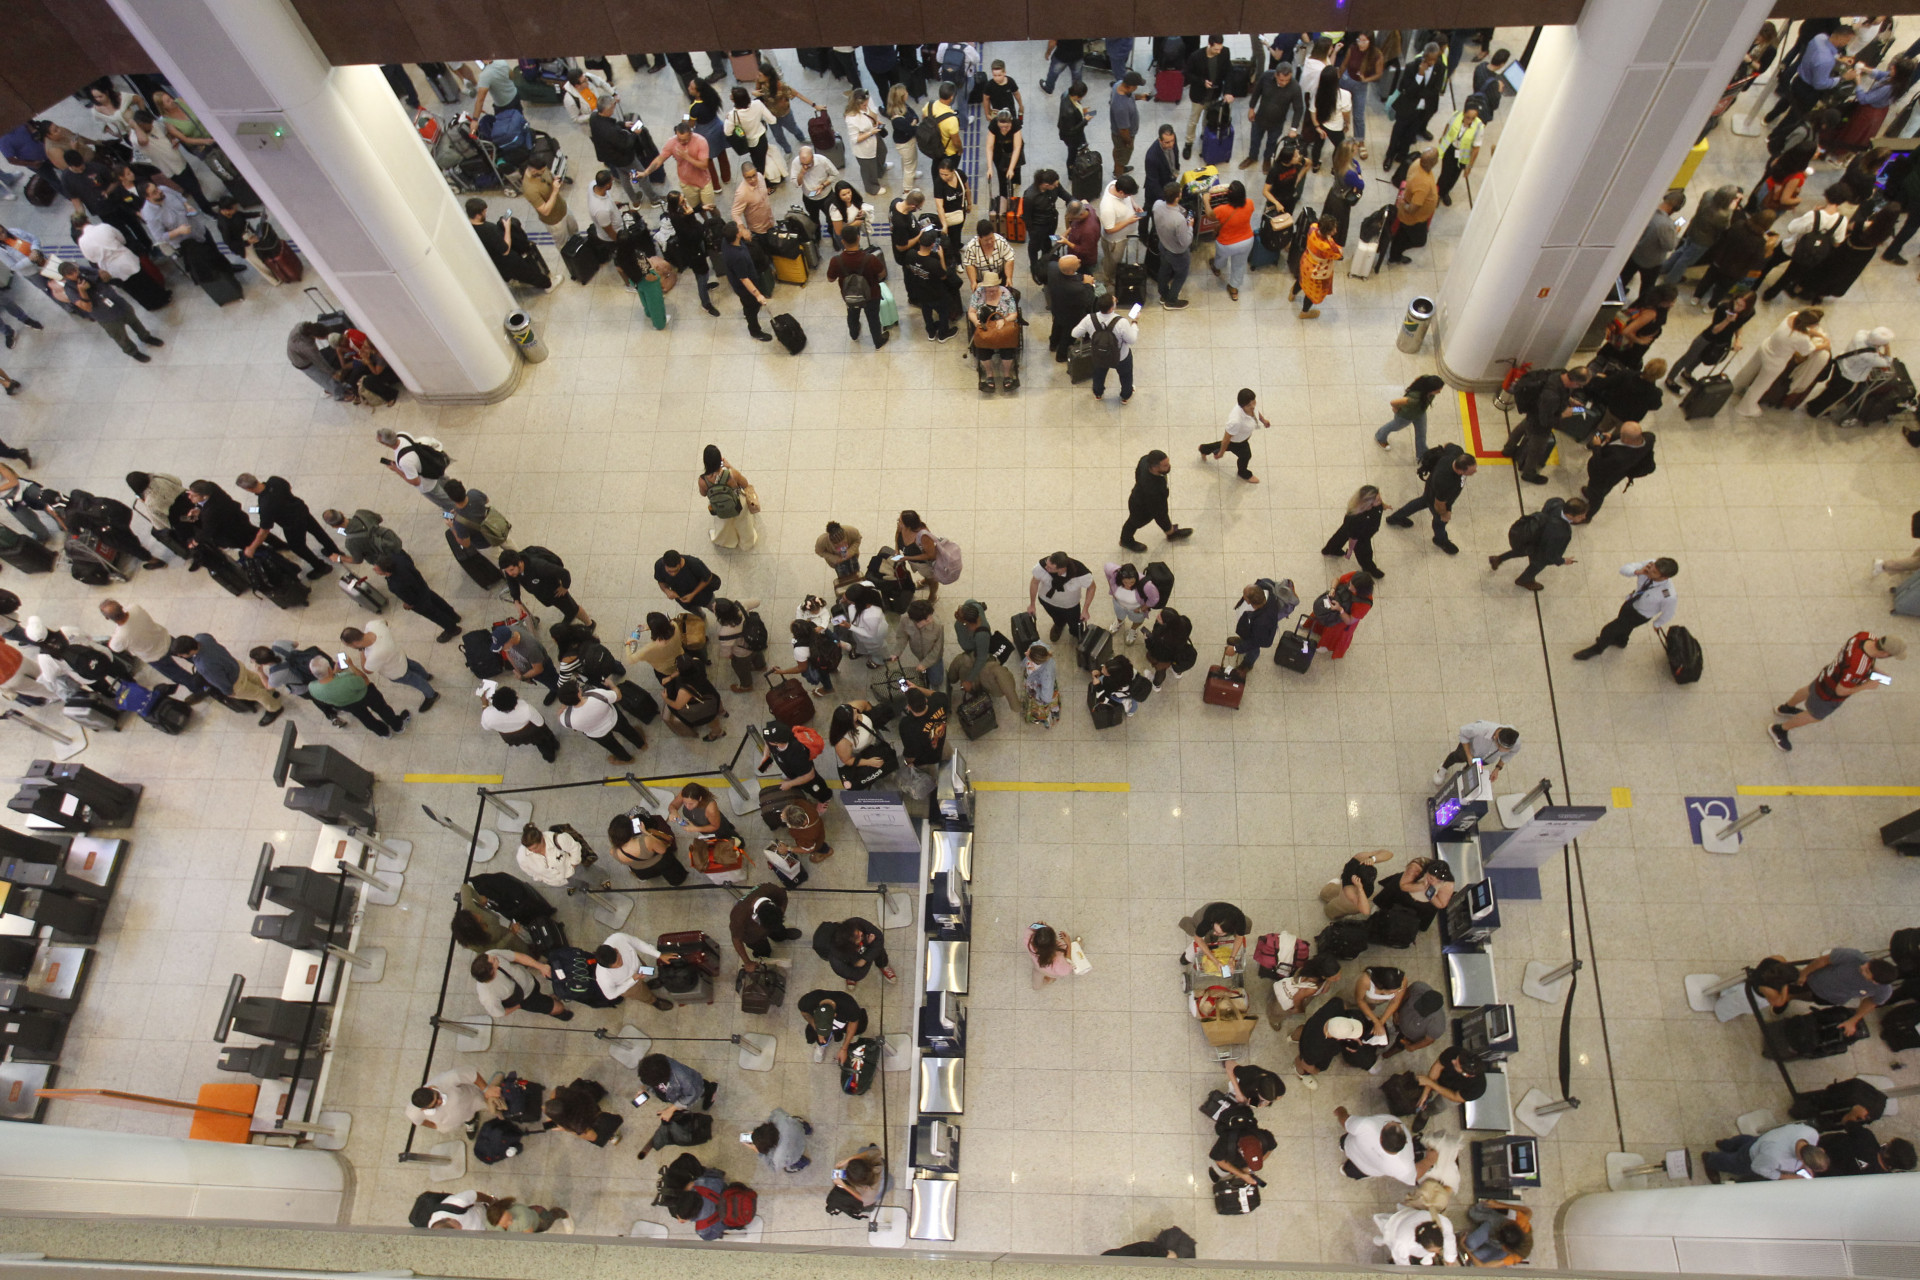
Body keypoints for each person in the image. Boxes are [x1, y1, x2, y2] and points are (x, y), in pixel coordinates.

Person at [1772, 631, 1904, 751]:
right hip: (1829, 694)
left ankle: (1786, 707)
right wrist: (1867, 686)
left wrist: (1874, 670)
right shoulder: (1857, 668)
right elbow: (1840, 691)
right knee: (1815, 716)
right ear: (1885, 653)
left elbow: (1864, 660)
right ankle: (1779, 729)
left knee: (1809, 689)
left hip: (1829, 674)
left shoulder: (1864, 636)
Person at [54, 264, 163, 363]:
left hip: (119, 304)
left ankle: (145, 337)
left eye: (75, 270)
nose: (75, 274)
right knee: (120, 336)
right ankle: (133, 352)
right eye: (70, 274)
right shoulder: (70, 289)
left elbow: (104, 274)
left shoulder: (83, 270)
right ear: (65, 277)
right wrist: (82, 291)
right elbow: (86, 307)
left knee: (135, 322)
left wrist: (101, 274)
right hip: (107, 317)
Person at [1573, 558, 1679, 660]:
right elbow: (1623, 569)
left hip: (1640, 615)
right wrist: (1638, 571)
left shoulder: (1668, 595)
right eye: (1652, 568)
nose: (1650, 571)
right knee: (1625, 627)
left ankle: (1597, 649)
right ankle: (1621, 641)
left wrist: (1657, 623)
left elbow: (1669, 613)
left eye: (1654, 572)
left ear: (1665, 577)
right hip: (1631, 601)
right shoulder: (1650, 565)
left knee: (1609, 630)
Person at [169, 633, 283, 725]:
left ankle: (274, 708)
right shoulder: (202, 637)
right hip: (236, 665)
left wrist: (228, 692)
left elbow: (219, 680)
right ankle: (272, 692)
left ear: (190, 652)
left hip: (236, 682)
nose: (181, 657)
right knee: (255, 678)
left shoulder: (203, 665)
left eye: (181, 655)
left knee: (257, 694)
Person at [1488, 495, 1590, 592]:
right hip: (1540, 552)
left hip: (1532, 540)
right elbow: (1550, 555)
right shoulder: (1562, 532)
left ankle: (1498, 559)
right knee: (1536, 566)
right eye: (1581, 516)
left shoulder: (1556, 502)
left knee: (1519, 551)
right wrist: (1563, 561)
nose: (1584, 517)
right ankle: (1524, 580)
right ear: (1570, 515)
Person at [1796, 947, 1900, 1035]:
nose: (1862, 966)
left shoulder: (1883, 991)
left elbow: (1871, 1003)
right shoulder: (1853, 956)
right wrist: (1804, 974)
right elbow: (1822, 961)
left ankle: (1792, 997)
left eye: (1866, 971)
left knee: (1803, 997)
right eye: (1868, 964)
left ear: (1875, 982)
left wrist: (1853, 1020)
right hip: (1812, 979)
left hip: (1829, 997)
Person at [1807, 326, 1895, 420]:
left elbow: (1868, 334)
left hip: (1840, 364)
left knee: (1831, 388)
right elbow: (1888, 362)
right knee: (1834, 397)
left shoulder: (1860, 334)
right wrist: (1887, 347)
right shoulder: (1870, 356)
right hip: (1849, 377)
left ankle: (1812, 404)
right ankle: (1815, 411)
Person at [1382, 44, 1446, 172]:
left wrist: (1418, 91)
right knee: (1398, 132)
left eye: (1434, 59)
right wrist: (1420, 77)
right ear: (1424, 56)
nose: (1431, 63)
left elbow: (1435, 90)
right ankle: (1390, 155)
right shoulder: (1412, 67)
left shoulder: (1440, 67)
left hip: (1423, 109)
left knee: (1410, 134)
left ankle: (1402, 155)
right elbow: (1406, 90)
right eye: (1429, 60)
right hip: (1407, 107)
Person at [826, 226, 889, 350]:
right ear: (859, 238)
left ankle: (854, 335)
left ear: (843, 241)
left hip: (850, 295)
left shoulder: (836, 260)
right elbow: (882, 274)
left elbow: (830, 279)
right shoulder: (870, 259)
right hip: (872, 295)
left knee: (852, 315)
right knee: (873, 318)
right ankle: (878, 341)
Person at [464, 197, 550, 290]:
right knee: (528, 273)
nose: (486, 213)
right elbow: (505, 250)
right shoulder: (489, 229)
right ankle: (547, 285)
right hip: (508, 260)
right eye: (484, 212)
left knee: (514, 273)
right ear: (478, 215)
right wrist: (507, 227)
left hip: (495, 261)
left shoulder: (468, 226)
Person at [1703, 1122, 1830, 1182]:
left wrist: (1807, 1166)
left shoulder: (1811, 1133)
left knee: (1744, 1141)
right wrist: (1791, 1177)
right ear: (1802, 1160)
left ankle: (1725, 1144)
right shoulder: (1775, 1157)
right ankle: (1710, 1159)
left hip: (1764, 1140)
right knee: (1734, 1163)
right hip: (1752, 1156)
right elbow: (1758, 1168)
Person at [471, 949, 572, 1022]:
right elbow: (499, 1013)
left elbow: (517, 957)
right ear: (491, 972)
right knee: (558, 1008)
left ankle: (549, 999)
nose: (495, 957)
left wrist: (540, 966)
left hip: (529, 980)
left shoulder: (490, 955)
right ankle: (560, 1014)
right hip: (526, 1000)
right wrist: (519, 1006)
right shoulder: (489, 997)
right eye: (493, 961)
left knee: (540, 992)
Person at [1293, 1000, 1376, 1087]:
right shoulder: (1315, 1050)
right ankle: (1300, 1073)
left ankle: (1292, 1037)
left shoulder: (1335, 1006)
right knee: (1301, 1059)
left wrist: (1345, 1029)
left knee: (1302, 1031)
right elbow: (1306, 1065)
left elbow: (1342, 1004)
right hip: (1309, 1048)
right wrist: (1316, 1071)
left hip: (1310, 1027)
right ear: (1339, 1038)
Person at [641, 120, 717, 212]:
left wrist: (686, 157)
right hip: (686, 183)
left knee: (711, 208)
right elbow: (660, 159)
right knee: (696, 208)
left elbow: (704, 166)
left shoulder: (701, 141)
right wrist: (646, 172)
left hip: (704, 182)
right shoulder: (672, 142)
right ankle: (705, 221)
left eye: (685, 140)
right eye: (679, 139)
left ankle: (718, 223)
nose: (681, 142)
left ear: (690, 134)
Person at [1200, 388, 1271, 481]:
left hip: (1242, 438)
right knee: (1245, 455)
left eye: (1254, 402)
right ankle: (1243, 473)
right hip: (1237, 441)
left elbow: (1256, 412)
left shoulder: (1250, 407)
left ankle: (1203, 449)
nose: (1253, 406)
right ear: (1242, 406)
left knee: (1219, 446)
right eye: (1249, 405)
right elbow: (1227, 438)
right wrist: (1221, 453)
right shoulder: (1236, 421)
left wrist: (1263, 420)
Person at [1386, 150, 1440, 265]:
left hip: (1413, 213)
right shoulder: (1423, 183)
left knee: (1402, 234)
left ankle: (1394, 253)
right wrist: (1403, 204)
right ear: (1433, 163)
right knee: (1419, 240)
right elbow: (1411, 209)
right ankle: (1395, 255)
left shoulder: (1417, 163)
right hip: (1414, 218)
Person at [608, 810, 689, 886]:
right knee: (674, 871)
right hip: (661, 864)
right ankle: (677, 880)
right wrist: (646, 832)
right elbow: (663, 850)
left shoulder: (613, 852)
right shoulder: (646, 841)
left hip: (642, 872)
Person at [1305, 572, 1375, 660]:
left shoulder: (1364, 604)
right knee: (1322, 613)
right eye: (1350, 584)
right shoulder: (1356, 578)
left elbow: (1349, 620)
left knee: (1333, 631)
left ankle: (1326, 646)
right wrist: (1333, 589)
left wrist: (1340, 609)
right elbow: (1337, 579)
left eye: (1353, 589)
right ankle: (1313, 627)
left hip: (1343, 620)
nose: (1349, 588)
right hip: (1336, 603)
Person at [480, 685, 558, 762]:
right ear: (515, 701)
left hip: (512, 737)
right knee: (542, 740)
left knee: (539, 742)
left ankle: (549, 758)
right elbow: (540, 723)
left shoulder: (487, 715)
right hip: (531, 732)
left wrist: (484, 704)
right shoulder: (526, 708)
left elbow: (486, 727)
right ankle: (554, 746)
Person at [407, 1069, 500, 1132]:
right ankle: (470, 1122)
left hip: (473, 1101)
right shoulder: (413, 1113)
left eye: (437, 1096)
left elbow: (472, 1074)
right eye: (434, 1104)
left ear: (431, 1088)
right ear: (423, 1109)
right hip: (459, 1118)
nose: (439, 1102)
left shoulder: (448, 1079)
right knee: (468, 1118)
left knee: (493, 1106)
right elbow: (421, 1122)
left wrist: (486, 1089)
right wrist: (439, 1127)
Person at [815, 916, 894, 986]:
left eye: (858, 931)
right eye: (857, 937)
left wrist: (865, 958)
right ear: (850, 945)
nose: (861, 933)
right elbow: (858, 974)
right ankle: (850, 978)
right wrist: (869, 948)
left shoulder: (855, 922)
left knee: (878, 948)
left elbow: (879, 937)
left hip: (863, 950)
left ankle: (882, 964)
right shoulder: (837, 959)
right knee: (874, 948)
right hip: (850, 959)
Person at [1436, 721, 1520, 787]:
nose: (1502, 751)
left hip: (1485, 759)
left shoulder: (1516, 743)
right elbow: (1463, 734)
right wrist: (1469, 755)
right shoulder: (1480, 728)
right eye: (1500, 748)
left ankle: (1464, 772)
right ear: (1496, 737)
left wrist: (1497, 768)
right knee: (1455, 757)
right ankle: (1443, 768)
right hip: (1468, 749)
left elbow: (1511, 753)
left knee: (1471, 769)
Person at [798, 988, 869, 1063]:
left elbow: (853, 1022)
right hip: (819, 1024)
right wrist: (816, 1028)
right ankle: (821, 1045)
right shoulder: (807, 1002)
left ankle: (837, 1032)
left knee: (861, 1027)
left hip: (843, 1021)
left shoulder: (849, 1005)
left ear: (835, 1015)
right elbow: (805, 1013)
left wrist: (844, 1049)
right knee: (816, 1037)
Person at [636, 1052, 718, 1115]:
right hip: (672, 1093)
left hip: (694, 1086)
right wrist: (642, 1090)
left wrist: (671, 1109)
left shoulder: (683, 1079)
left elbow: (691, 1094)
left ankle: (711, 1090)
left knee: (703, 1088)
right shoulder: (657, 1062)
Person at [1294, 215, 1342, 316]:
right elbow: (1339, 254)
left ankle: (1292, 294)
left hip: (1306, 262)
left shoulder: (1313, 227)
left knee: (1301, 280)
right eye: (1333, 230)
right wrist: (1331, 240)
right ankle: (1304, 312)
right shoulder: (1326, 246)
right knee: (1311, 293)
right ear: (1327, 232)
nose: (1336, 231)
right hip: (1316, 271)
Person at [654, 549, 721, 614]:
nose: (673, 574)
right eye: (669, 571)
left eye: (676, 570)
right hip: (682, 599)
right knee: (696, 613)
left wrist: (693, 594)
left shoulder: (695, 563)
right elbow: (660, 581)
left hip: (703, 594)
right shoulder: (659, 566)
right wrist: (666, 590)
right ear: (664, 564)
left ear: (680, 562)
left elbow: (708, 578)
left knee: (717, 610)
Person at [753, 1109, 813, 1174]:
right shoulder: (778, 1115)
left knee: (790, 1162)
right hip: (797, 1129)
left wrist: (759, 1152)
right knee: (798, 1122)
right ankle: (808, 1129)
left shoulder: (777, 1157)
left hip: (794, 1154)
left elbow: (773, 1167)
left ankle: (802, 1162)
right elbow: (773, 1115)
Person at [1109, 70, 1145, 176]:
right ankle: (1119, 178)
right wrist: (1128, 142)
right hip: (1123, 137)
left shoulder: (1118, 84)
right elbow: (1123, 130)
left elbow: (1131, 96)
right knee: (1121, 159)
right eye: (1136, 86)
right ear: (1129, 87)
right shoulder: (1121, 107)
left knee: (1118, 152)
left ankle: (1118, 168)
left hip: (1118, 134)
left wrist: (1141, 96)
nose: (1137, 88)